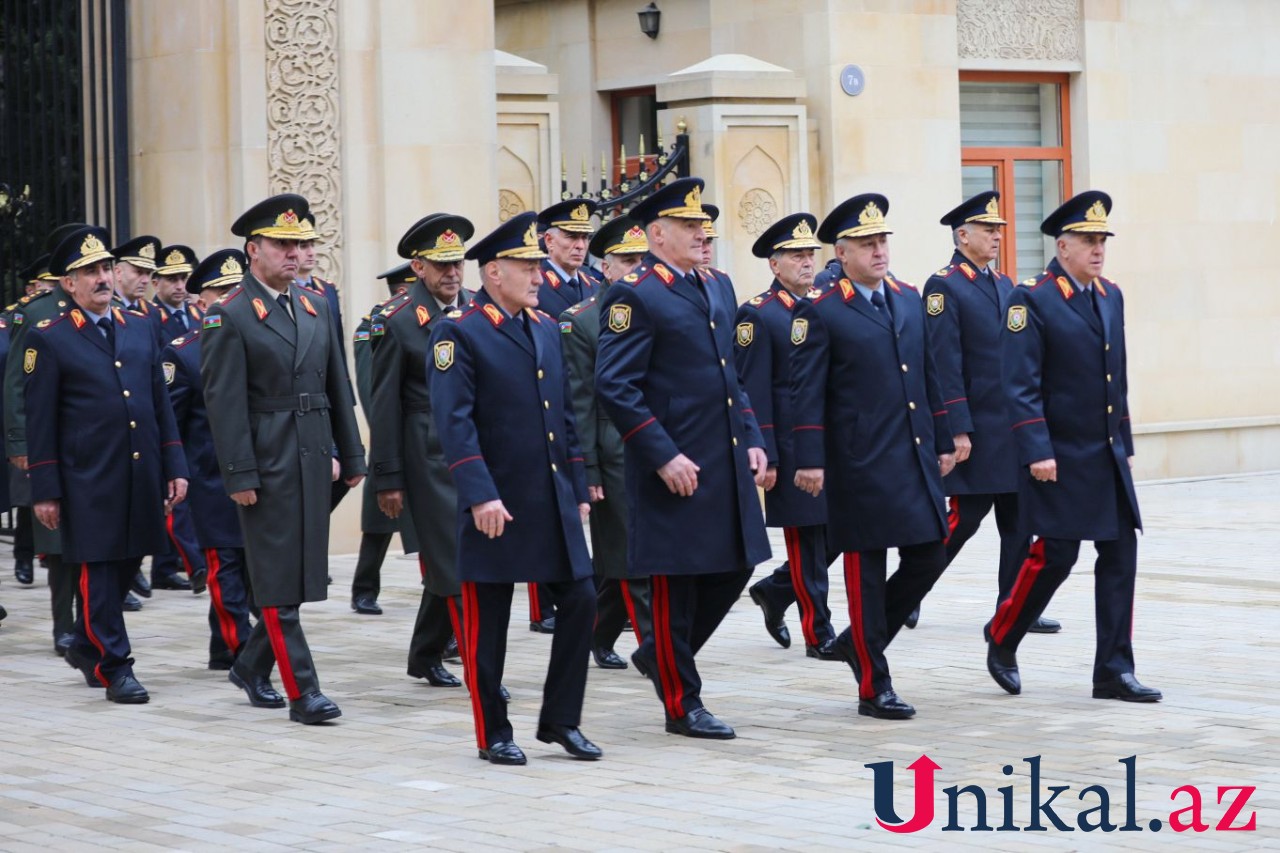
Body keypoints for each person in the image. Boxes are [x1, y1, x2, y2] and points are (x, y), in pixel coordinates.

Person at [596, 177, 771, 740]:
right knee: (674, 584)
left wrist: (752, 436)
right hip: (672, 466)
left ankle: (662, 655)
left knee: (736, 563)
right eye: (691, 226)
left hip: (723, 456)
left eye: (705, 226)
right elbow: (616, 385)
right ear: (656, 234)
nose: (703, 234)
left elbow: (730, 378)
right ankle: (682, 704)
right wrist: (662, 455)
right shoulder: (636, 292)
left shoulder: (718, 285)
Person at [430, 211, 600, 765]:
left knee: (581, 599)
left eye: (537, 266)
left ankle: (561, 720)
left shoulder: (545, 327)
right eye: (526, 267)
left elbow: (565, 417)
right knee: (489, 622)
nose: (537, 276)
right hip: (496, 500)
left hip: (548, 496)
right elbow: (454, 422)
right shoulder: (459, 331)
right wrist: (479, 493)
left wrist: (577, 485)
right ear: (494, 271)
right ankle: (493, 731)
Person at [983, 191, 1161, 703]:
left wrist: (1123, 440)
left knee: (1120, 552)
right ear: (1062, 246)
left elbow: (1115, 377)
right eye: (1087, 240)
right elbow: (1019, 383)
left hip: (1102, 453)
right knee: (1055, 555)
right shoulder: (1032, 300)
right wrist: (1036, 448)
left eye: (1102, 239)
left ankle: (1112, 669)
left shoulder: (1110, 295)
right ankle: (1003, 633)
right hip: (1057, 453)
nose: (1097, 248)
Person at [200, 194, 366, 724]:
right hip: (268, 456)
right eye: (284, 245)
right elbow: (223, 405)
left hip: (314, 452)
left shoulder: (314, 305)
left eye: (304, 245)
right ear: (254, 250)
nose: (296, 254)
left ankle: (251, 666)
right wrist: (240, 473)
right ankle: (303, 691)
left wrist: (353, 452)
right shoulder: (230, 316)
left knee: (297, 573)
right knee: (276, 578)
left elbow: (338, 384)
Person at [790, 193, 956, 720]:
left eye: (883, 240)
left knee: (931, 552)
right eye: (866, 243)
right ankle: (872, 683)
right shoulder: (820, 308)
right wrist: (810, 459)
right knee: (865, 570)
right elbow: (805, 391)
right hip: (857, 461)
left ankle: (859, 639)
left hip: (912, 456)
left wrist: (946, 436)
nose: (879, 250)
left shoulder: (907, 298)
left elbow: (929, 374)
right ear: (841, 251)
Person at [26, 225, 189, 703]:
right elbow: (40, 421)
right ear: (68, 284)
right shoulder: (49, 338)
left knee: (126, 563)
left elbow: (160, 402)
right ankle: (117, 666)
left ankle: (84, 643)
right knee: (98, 569)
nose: (100, 279)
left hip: (139, 472)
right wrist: (45, 489)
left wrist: (174, 464)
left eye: (103, 269)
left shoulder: (138, 326)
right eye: (88, 272)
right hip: (85, 478)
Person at [914, 191, 1058, 634]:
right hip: (974, 428)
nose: (996, 236)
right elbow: (943, 361)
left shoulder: (1003, 283)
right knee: (962, 521)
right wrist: (957, 427)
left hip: (1009, 427)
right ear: (962, 235)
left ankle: (1013, 606)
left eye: (999, 230)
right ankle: (908, 588)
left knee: (1018, 522)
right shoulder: (944, 285)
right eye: (988, 229)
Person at [369, 214, 477, 688]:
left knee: (456, 555)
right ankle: (479, 665)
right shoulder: (396, 321)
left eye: (457, 263)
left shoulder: (475, 308)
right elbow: (384, 405)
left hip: (471, 447)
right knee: (455, 559)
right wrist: (388, 477)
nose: (452, 273)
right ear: (418, 267)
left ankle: (425, 653)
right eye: (441, 265)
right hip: (425, 450)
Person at [163, 249, 276, 688]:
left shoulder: (258, 341)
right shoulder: (183, 354)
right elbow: (170, 423)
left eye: (236, 289)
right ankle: (239, 650)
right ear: (199, 301)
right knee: (224, 566)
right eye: (220, 291)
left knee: (248, 563)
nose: (230, 297)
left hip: (253, 469)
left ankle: (219, 645)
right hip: (208, 477)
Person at [736, 213, 840, 660]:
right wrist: (769, 456)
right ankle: (819, 632)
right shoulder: (757, 314)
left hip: (829, 443)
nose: (806, 262)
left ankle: (776, 591)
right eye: (796, 256)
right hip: (791, 448)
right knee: (807, 542)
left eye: (810, 254)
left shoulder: (823, 303)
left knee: (835, 534)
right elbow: (753, 390)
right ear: (774, 264)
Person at [559, 216, 653, 669]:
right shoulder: (583, 321)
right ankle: (659, 649)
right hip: (612, 451)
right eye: (627, 260)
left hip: (653, 447)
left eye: (642, 259)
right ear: (605, 266)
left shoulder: (654, 306)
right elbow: (578, 405)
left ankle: (596, 634)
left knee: (627, 555)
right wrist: (588, 471)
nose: (636, 269)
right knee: (631, 555)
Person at [348, 262, 421, 618]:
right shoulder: (373, 327)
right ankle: (364, 588)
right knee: (380, 518)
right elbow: (369, 384)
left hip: (425, 435)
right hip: (392, 431)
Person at [147, 244, 205, 593]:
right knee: (176, 493)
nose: (180, 285)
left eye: (184, 278)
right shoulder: (149, 318)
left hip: (196, 412)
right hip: (169, 408)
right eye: (171, 279)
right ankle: (191, 563)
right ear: (157, 283)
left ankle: (166, 568)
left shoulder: (197, 317)